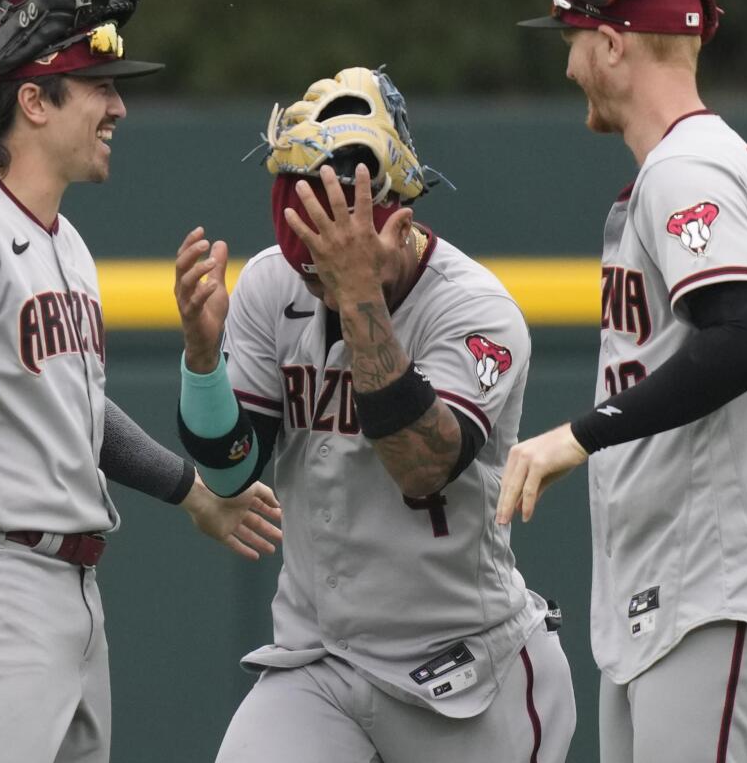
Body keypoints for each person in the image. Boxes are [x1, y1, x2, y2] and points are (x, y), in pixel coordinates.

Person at [0, 0, 282, 763]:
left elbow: (73, 411)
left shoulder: (64, 241)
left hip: (70, 590)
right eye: (98, 84)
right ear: (35, 101)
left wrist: (191, 490)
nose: (117, 108)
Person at [494, 0, 747, 763]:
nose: (569, 66)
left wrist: (578, 435)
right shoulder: (687, 167)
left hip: (713, 575)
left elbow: (742, 338)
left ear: (612, 44)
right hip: (675, 578)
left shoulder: (687, 167)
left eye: (572, 39)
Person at [173, 66, 576, 763]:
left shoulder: (477, 310)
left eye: (339, 261)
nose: (321, 279)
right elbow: (232, 470)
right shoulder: (275, 281)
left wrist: (358, 293)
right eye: (313, 270)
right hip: (321, 659)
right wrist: (203, 360)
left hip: (467, 672)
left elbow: (421, 466)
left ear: (402, 221)